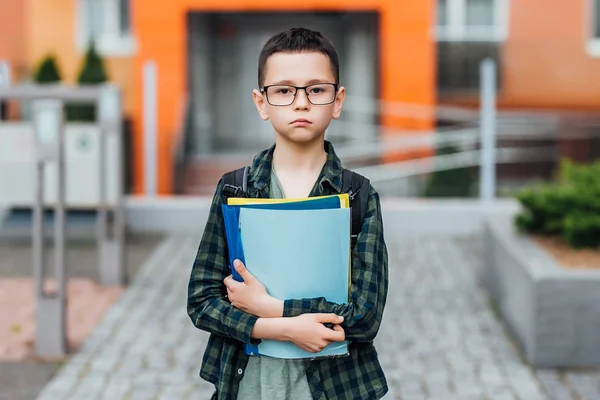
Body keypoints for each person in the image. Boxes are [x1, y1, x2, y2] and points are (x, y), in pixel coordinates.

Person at [187, 27, 389, 400]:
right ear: (261, 102)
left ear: (337, 100)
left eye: (316, 89)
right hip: (248, 385)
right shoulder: (235, 189)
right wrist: (282, 328)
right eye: (283, 91)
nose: (301, 103)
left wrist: (271, 307)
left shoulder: (358, 194)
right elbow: (201, 301)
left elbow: (365, 315)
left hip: (334, 388)